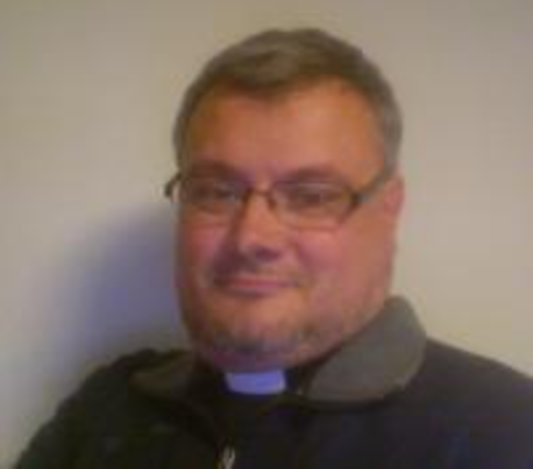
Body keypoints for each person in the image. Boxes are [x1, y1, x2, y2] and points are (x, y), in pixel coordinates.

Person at [16, 28, 533, 469]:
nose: (251, 239)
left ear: (389, 209)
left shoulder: (505, 430)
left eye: (311, 197)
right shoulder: (110, 407)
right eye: (216, 192)